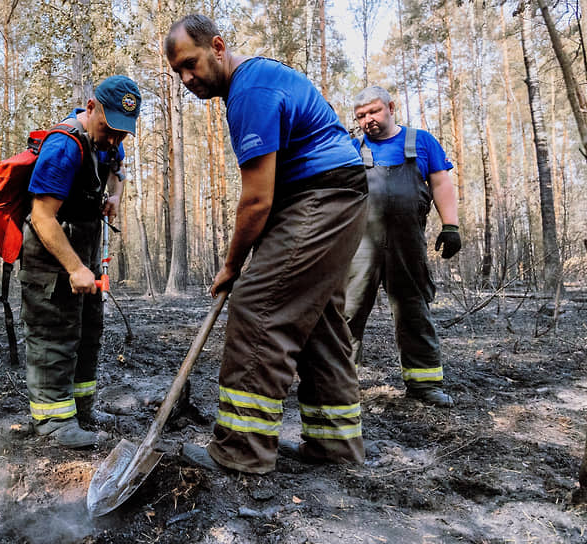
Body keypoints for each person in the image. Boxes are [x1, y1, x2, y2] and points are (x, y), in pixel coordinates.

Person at [164, 14, 369, 473]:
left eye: (191, 64)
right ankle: (334, 444)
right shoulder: (255, 82)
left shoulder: (250, 91)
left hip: (323, 195)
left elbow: (256, 201)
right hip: (333, 195)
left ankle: (241, 451)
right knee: (319, 320)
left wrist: (232, 266)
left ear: (217, 46)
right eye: (178, 72)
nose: (186, 79)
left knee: (259, 307)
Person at [21, 75, 141, 449]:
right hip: (50, 256)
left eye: (123, 134)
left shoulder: (109, 143)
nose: (114, 140)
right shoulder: (64, 146)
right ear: (91, 109)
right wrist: (74, 268)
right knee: (54, 333)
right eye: (109, 129)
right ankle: (54, 422)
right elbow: (42, 217)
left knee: (88, 330)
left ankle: (81, 410)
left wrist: (115, 197)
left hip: (86, 254)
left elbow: (118, 173)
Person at [346, 86, 461, 406]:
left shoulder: (420, 141)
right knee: (348, 311)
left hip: (407, 243)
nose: (368, 119)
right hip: (360, 244)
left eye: (373, 111)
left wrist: (450, 225)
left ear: (390, 107)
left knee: (413, 308)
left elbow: (441, 182)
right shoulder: (353, 147)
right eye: (361, 116)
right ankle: (340, 382)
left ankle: (424, 384)